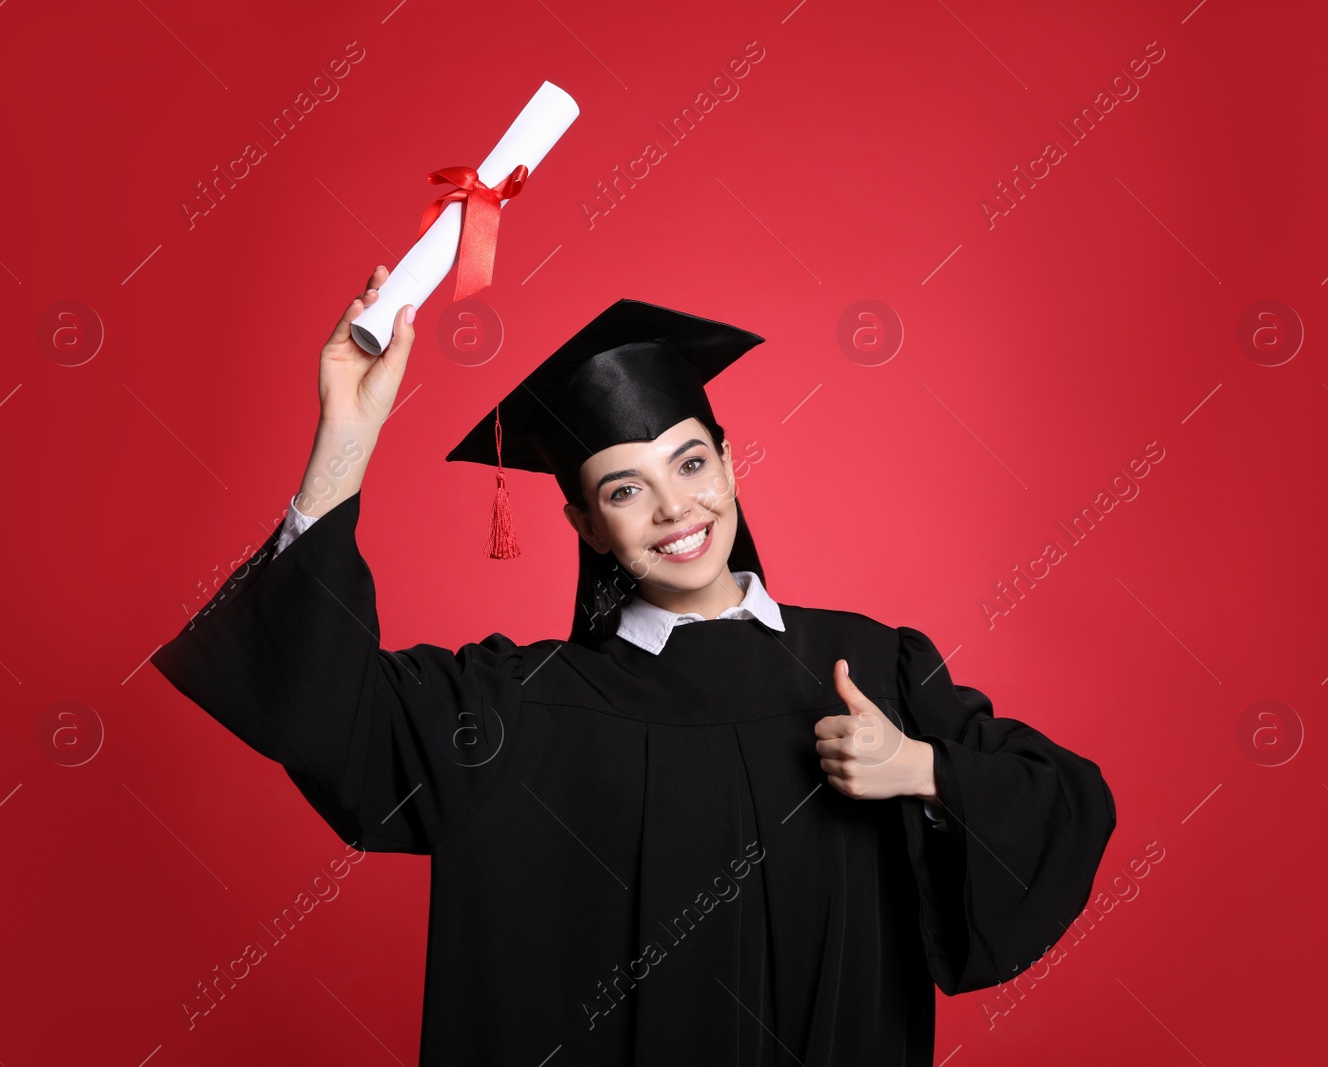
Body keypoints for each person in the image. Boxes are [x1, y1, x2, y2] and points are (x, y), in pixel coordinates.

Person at [151, 268, 1117, 1066]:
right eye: (626, 487)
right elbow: (324, 709)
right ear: (583, 522)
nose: (674, 509)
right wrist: (345, 443)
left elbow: (1063, 805)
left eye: (690, 464)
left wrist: (919, 769)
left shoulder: (873, 664)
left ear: (731, 465)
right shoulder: (519, 712)